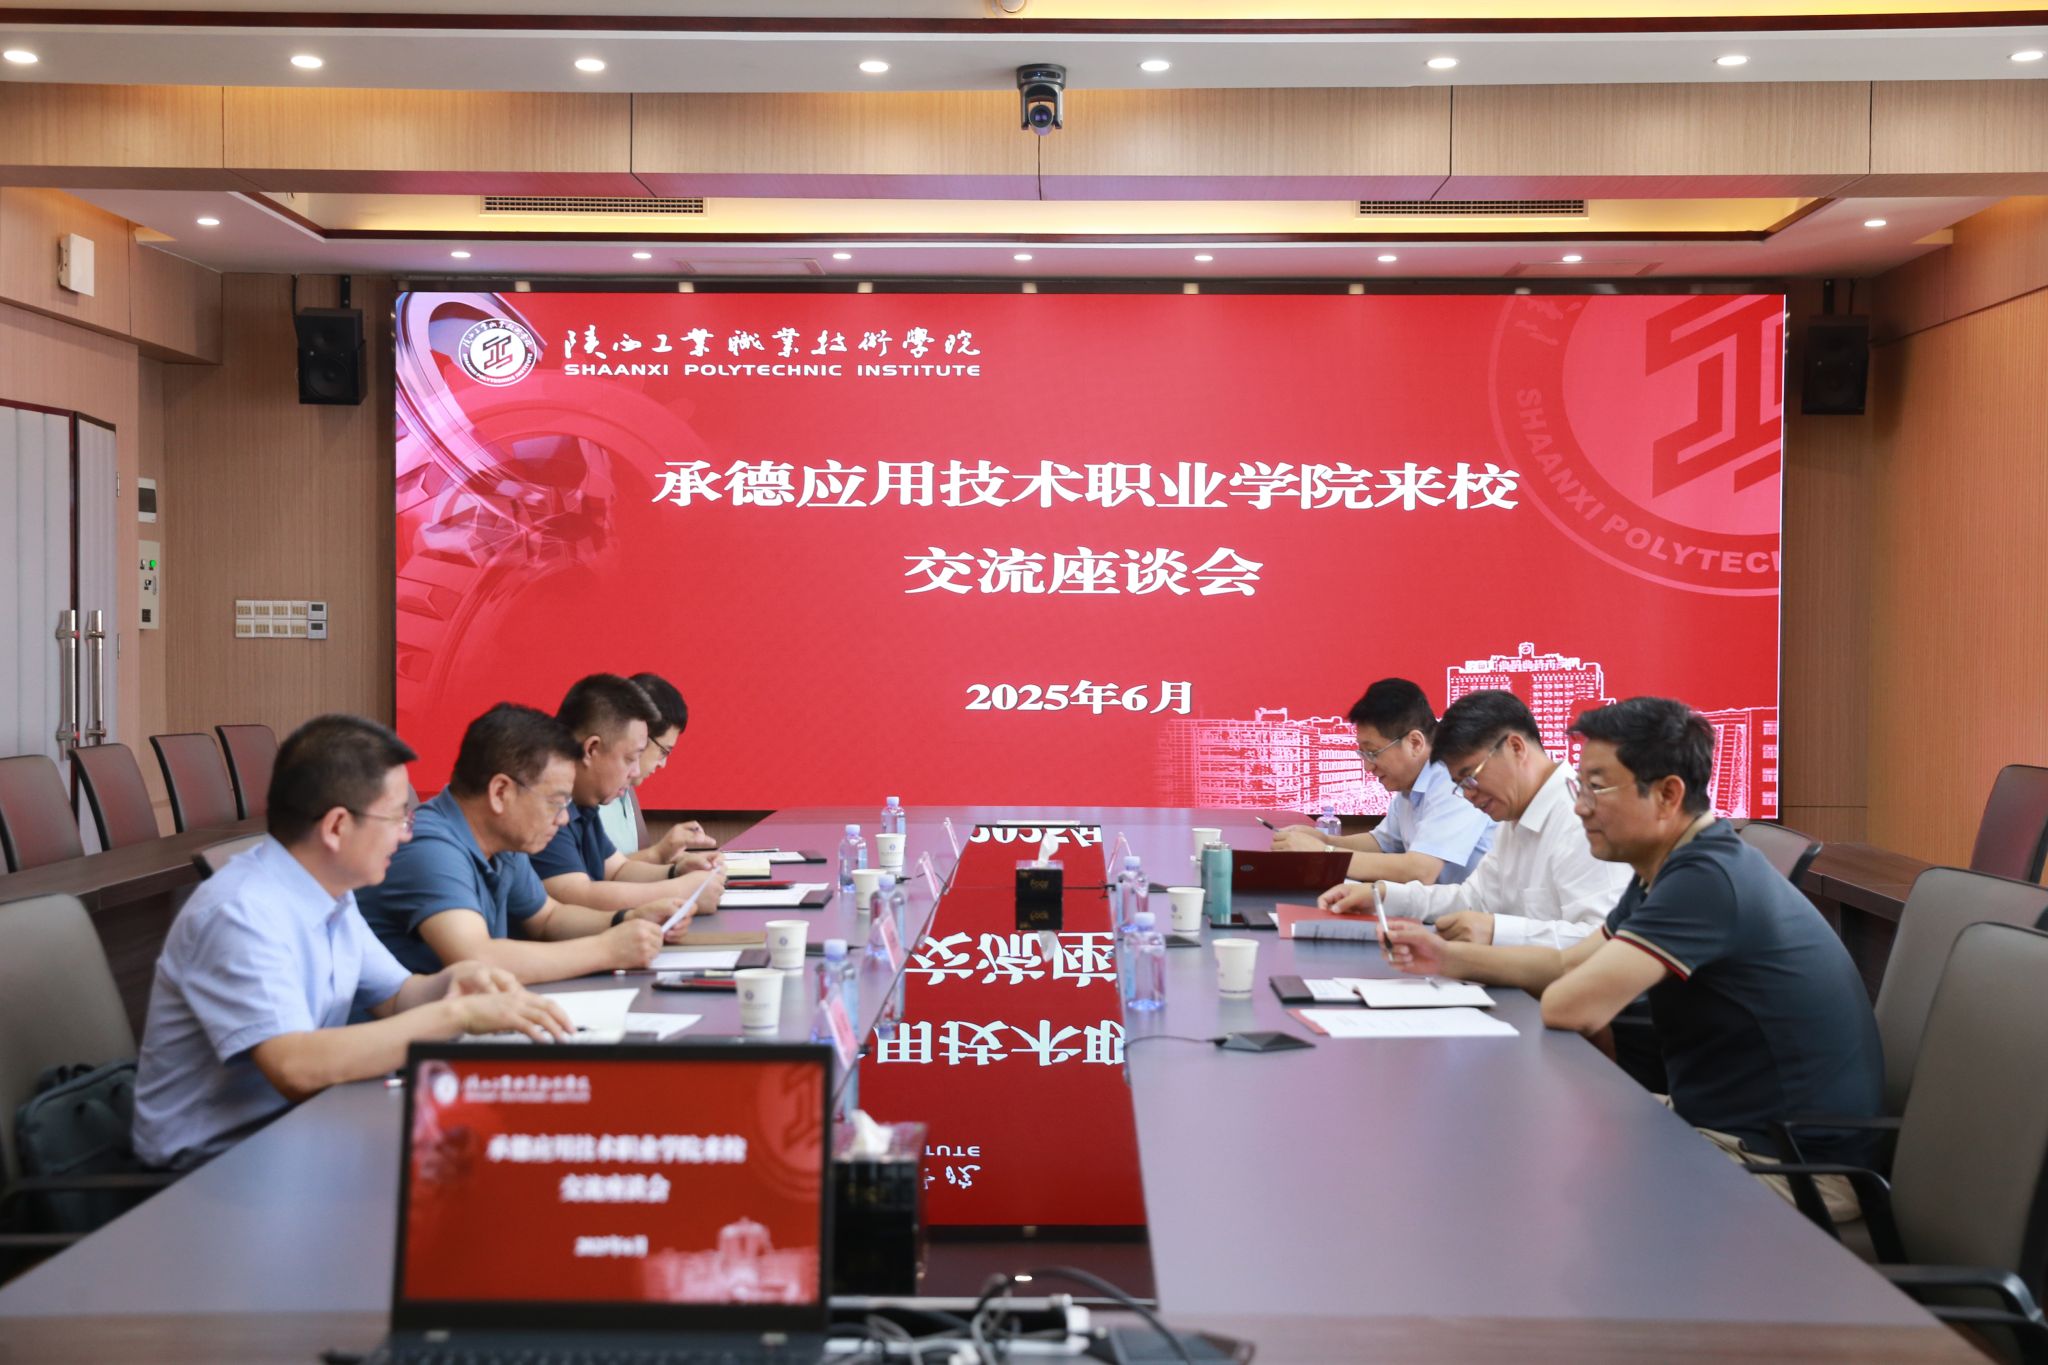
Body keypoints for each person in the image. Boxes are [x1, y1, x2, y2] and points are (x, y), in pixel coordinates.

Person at [1385, 697, 1883, 1219]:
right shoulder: (1667, 869)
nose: (1580, 807)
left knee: (1534, 1175)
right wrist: (1447, 959)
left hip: (1790, 1167)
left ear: (1667, 794)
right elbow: (1568, 964)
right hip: (1723, 1127)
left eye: (1597, 788)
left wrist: (1505, 965)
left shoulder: (1705, 881)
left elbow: (1570, 1004)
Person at [133, 715, 572, 1170]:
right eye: (397, 817)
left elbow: (398, 997)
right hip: (216, 1167)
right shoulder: (241, 912)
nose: (407, 832)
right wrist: (455, 1015)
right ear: (337, 826)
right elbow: (294, 1067)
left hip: (304, 1131)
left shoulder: (333, 895)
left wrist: (457, 982)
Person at [356, 702, 698, 984]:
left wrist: (628, 918)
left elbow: (548, 918)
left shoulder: (501, 840)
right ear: (501, 792)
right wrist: (607, 950)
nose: (562, 819)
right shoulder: (430, 847)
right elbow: (477, 957)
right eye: (556, 802)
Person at [1321, 689, 1629, 947]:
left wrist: (1496, 931)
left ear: (1515, 748)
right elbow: (1474, 899)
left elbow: (1603, 941)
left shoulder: (1582, 819)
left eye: (1470, 777)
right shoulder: (1512, 815)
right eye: (1459, 784)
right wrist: (1383, 896)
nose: (1468, 795)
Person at [1270, 677, 1494, 885]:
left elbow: (1421, 870)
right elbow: (1380, 843)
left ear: (1415, 743)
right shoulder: (1411, 783)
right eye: (1363, 754)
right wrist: (1323, 840)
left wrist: (1323, 854)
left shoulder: (1451, 779)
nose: (1368, 767)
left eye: (1373, 753)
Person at [533, 673, 725, 913]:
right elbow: (577, 895)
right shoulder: (545, 803)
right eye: (630, 758)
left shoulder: (585, 800)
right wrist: (682, 891)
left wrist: (676, 872)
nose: (634, 771)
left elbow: (617, 870)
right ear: (592, 749)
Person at [597, 671, 717, 868]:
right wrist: (662, 857)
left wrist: (678, 860)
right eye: (663, 751)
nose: (663, 764)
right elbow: (596, 873)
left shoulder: (626, 787)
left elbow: (630, 863)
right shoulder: (582, 793)